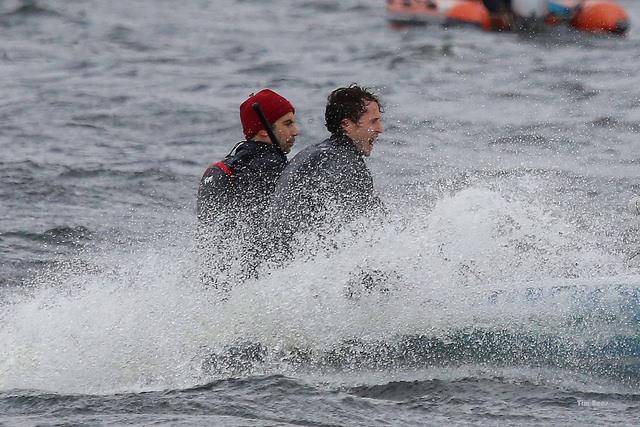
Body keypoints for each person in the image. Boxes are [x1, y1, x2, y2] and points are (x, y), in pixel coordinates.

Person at [267, 84, 385, 261]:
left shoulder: (307, 154)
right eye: (373, 121)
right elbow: (368, 227)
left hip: (277, 257)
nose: (380, 129)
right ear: (347, 125)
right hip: (304, 263)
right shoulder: (347, 164)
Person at [196, 89, 299, 288]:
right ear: (263, 130)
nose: (296, 131)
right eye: (288, 124)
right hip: (255, 279)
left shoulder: (234, 163)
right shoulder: (270, 166)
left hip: (220, 275)